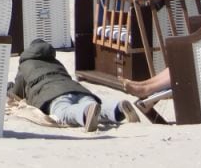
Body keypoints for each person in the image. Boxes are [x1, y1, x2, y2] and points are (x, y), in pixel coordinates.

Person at [9, 39, 139, 131]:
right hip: (77, 89)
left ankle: (85, 112)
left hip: (52, 95)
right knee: (94, 106)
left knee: (64, 112)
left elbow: (17, 91)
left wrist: (8, 88)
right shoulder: (56, 62)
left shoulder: (25, 65)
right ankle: (117, 108)